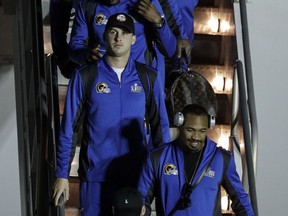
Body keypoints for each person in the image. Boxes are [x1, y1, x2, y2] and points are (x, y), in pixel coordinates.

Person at [53, 13, 170, 216]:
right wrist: (62, 173)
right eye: (113, 32)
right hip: (96, 177)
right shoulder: (85, 76)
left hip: (136, 177)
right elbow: (69, 128)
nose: (118, 38)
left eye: (125, 33)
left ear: (133, 39)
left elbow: (161, 129)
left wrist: (161, 176)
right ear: (105, 36)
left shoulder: (148, 77)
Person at [138, 104, 255, 216]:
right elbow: (142, 200)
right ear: (179, 124)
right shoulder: (157, 157)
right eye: (190, 130)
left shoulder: (221, 159)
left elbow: (240, 200)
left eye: (202, 131)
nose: (196, 137)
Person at [68, 0, 178, 89]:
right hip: (103, 85)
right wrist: (86, 55)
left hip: (141, 85)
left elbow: (170, 50)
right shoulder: (87, 5)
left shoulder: (146, 3)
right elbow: (74, 48)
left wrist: (158, 21)